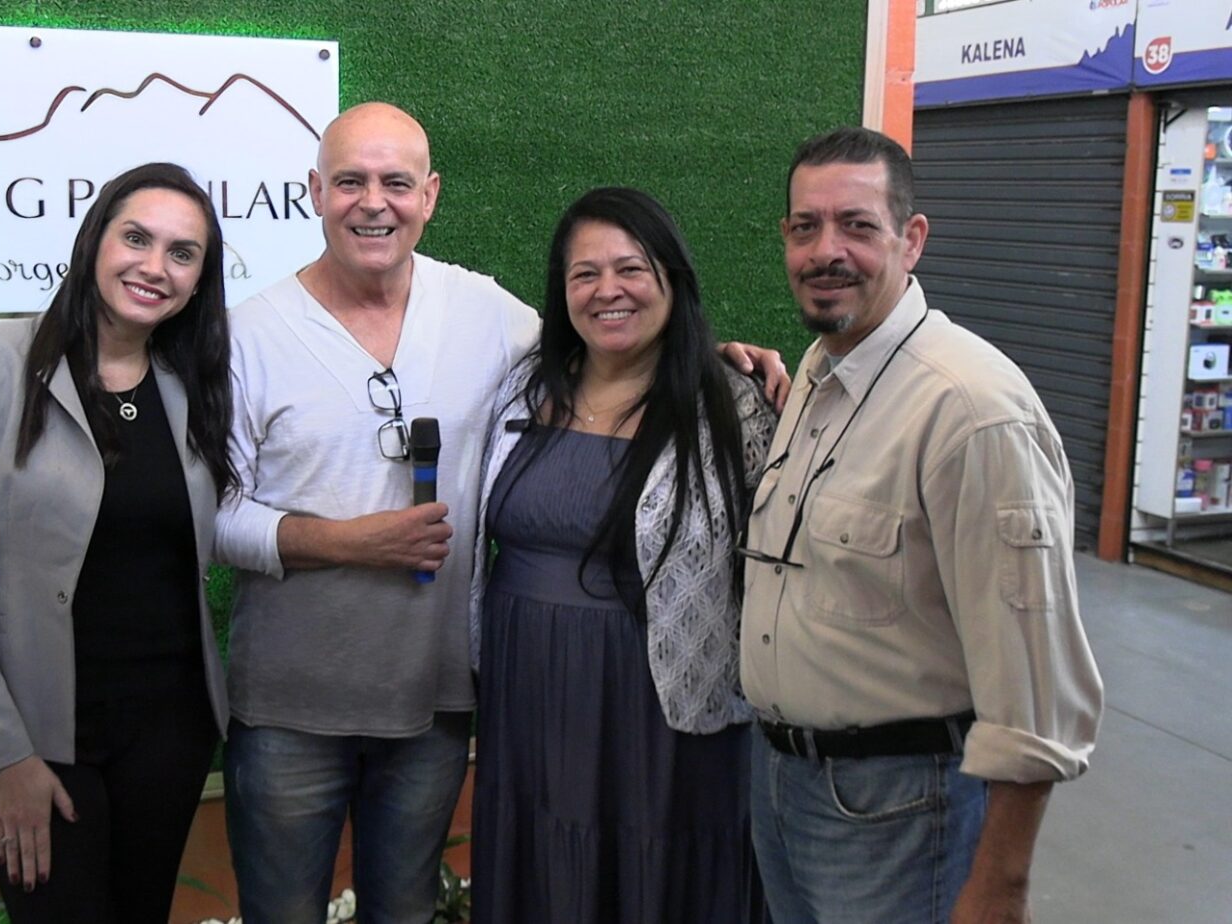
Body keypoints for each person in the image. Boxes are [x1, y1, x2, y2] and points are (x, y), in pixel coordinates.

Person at [212, 102, 787, 924]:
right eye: (350, 181)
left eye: (396, 182)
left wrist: (720, 361)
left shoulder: (486, 314)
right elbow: (212, 516)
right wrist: (344, 543)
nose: (373, 202)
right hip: (289, 707)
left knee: (406, 911)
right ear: (314, 191)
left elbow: (611, 334)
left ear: (430, 195)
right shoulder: (247, 334)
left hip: (438, 706)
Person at [739, 126, 1105, 924]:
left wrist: (1001, 886)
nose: (825, 251)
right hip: (783, 788)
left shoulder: (971, 410)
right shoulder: (821, 371)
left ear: (912, 240)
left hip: (900, 811)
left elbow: (1034, 681)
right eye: (805, 227)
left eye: (857, 226)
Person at [0, 162, 235, 922]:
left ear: (198, 282)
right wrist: (3, 755)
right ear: (94, 242)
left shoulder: (194, 382)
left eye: (182, 253)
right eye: (136, 238)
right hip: (32, 734)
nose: (155, 266)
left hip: (167, 733)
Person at [466, 186, 775, 923]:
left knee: (652, 874)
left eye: (631, 268)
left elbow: (772, 569)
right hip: (526, 699)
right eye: (585, 274)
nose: (608, 290)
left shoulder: (732, 406)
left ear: (673, 278)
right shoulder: (522, 387)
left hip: (660, 715)